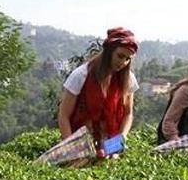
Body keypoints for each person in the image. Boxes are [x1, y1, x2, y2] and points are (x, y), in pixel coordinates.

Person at [57, 27, 139, 155]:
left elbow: (128, 114)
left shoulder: (128, 79)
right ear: (109, 51)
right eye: (120, 56)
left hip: (111, 145)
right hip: (80, 144)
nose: (123, 62)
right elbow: (64, 115)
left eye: (128, 59)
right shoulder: (81, 75)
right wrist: (72, 148)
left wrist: (120, 140)